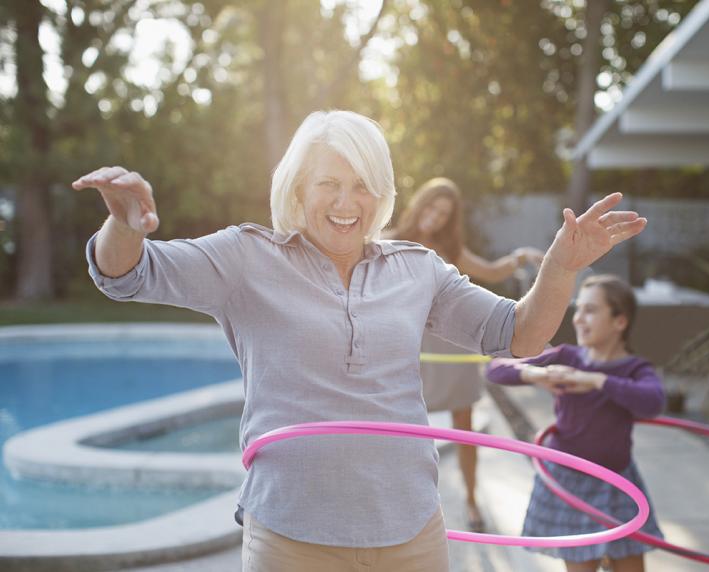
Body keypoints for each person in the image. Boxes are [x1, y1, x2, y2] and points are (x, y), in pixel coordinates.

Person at [73, 110, 646, 572]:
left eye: (362, 186)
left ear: (382, 194)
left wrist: (559, 268)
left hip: (410, 534)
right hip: (292, 537)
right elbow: (130, 275)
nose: (347, 203)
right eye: (329, 184)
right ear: (298, 188)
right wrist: (123, 226)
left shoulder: (418, 268)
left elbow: (519, 334)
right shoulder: (246, 257)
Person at [387, 177, 543, 532]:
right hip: (410, 347)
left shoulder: (450, 250)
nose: (435, 217)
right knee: (404, 428)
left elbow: (492, 270)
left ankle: (471, 500)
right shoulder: (388, 241)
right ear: (420, 203)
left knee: (464, 426)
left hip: (451, 346)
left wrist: (522, 257)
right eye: (432, 207)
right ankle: (402, 503)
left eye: (444, 213)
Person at [484, 274, 665, 572]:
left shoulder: (634, 369)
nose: (578, 319)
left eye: (590, 310)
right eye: (578, 309)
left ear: (620, 321)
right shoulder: (567, 357)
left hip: (617, 481)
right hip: (569, 481)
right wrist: (536, 374)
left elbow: (653, 402)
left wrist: (596, 380)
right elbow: (495, 369)